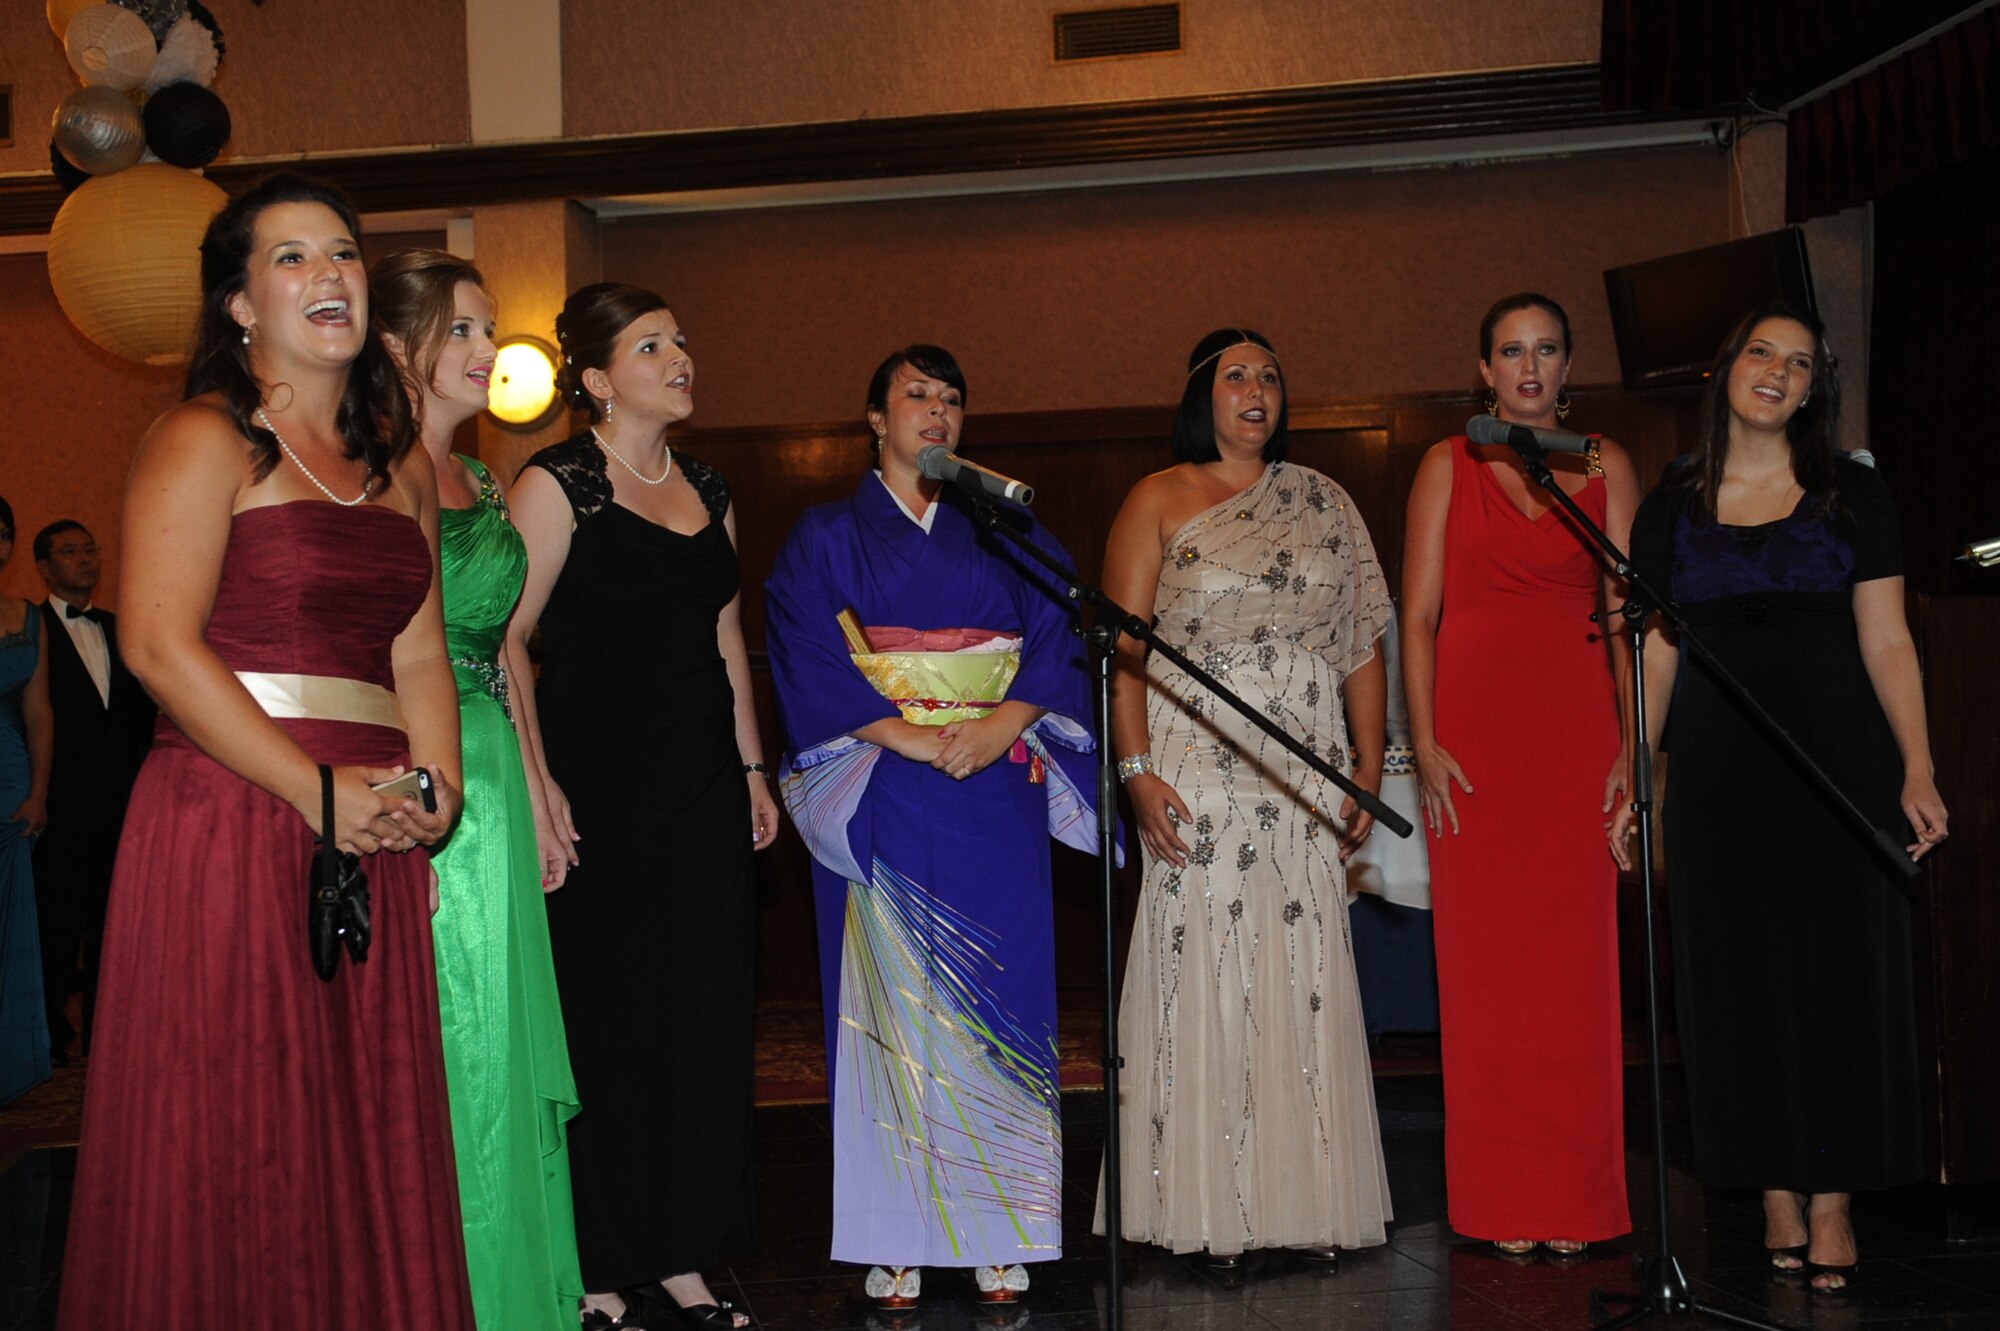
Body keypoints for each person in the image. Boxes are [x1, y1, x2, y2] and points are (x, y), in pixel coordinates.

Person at [55, 172, 472, 1330]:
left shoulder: (400, 463)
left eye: (341, 252)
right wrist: (313, 789)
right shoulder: (202, 436)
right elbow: (154, 642)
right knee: (239, 1118)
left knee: (361, 1117)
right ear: (240, 305)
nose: (327, 273)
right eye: (290, 257)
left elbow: (419, 653)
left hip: (374, 816)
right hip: (232, 806)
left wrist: (434, 789)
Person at [765, 344, 1111, 1310]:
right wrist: (905, 733)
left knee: (1001, 998)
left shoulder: (1006, 526)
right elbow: (800, 643)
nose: (937, 411)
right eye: (916, 395)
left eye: (951, 398)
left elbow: (1058, 635)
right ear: (876, 419)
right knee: (888, 1015)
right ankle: (896, 1235)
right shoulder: (826, 532)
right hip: (881, 783)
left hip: (992, 785)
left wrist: (1002, 723)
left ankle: (1001, 1228)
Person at [1612, 303, 1947, 1294]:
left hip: (1838, 759)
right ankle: (1770, 1188)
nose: (1777, 371)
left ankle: (1833, 1196)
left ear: (1811, 391)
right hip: (1718, 769)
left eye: (1798, 363)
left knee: (1840, 977)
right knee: (1736, 979)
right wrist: (1632, 760)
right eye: (1761, 351)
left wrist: (1917, 765)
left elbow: (1886, 635)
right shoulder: (1671, 503)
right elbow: (1656, 652)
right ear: (1727, 369)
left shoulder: (1852, 491)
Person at [509, 283, 778, 1331]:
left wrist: (752, 769)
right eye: (651, 345)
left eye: (680, 339)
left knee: (700, 1023)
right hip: (599, 789)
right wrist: (540, 781)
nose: (679, 357)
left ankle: (683, 1254)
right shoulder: (557, 483)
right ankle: (596, 1261)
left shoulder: (708, 484)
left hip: (703, 785)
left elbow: (726, 636)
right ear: (595, 379)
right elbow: (507, 643)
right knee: (610, 1023)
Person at [1097, 328, 1393, 1264]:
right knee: (1208, 973)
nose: (1257, 388)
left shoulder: (1326, 500)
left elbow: (1360, 642)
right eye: (1236, 375)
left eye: (1270, 374)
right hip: (1195, 770)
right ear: (1203, 395)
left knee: (1301, 973)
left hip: (1305, 774)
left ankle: (1302, 1206)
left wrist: (1368, 761)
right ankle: (1206, 1208)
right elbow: (1123, 653)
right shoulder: (1156, 497)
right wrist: (1136, 773)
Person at [373, 248, 583, 1330]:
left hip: (497, 766)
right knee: (458, 1041)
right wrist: (411, 806)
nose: (485, 347)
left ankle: (518, 1288)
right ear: (395, 344)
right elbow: (378, 652)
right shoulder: (382, 470)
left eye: (487, 328)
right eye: (461, 328)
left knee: (499, 1035)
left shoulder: (484, 480)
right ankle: (462, 1295)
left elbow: (507, 651)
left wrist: (540, 788)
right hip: (431, 769)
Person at [1401, 293, 1637, 1255]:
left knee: (1577, 975)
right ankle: (1502, 1199)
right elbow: (1417, 616)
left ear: (1569, 365)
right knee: (1487, 976)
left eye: (1546, 350)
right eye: (1511, 351)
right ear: (1485, 370)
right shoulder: (1446, 462)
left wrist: (1632, 745)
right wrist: (1425, 740)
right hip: (1476, 747)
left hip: (1577, 737)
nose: (1529, 367)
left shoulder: (1605, 462)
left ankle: (1573, 1200)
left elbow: (1625, 620)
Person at [31, 519, 155, 1065]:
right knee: (56, 925)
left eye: (90, 549)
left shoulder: (121, 629)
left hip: (122, 802)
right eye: (70, 551)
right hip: (58, 802)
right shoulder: (29, 628)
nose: (84, 559)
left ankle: (108, 1035)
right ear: (44, 567)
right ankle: (47, 1036)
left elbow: (143, 718)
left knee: (115, 923)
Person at [1, 495, 54, 1105]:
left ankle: (9, 1062)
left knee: (10, 921)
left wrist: (39, 792)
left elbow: (40, 713)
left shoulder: (27, 616)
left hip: (11, 782)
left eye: (3, 533)